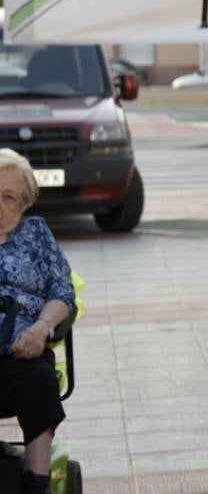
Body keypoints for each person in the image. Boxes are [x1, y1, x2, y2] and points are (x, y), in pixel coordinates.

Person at [0, 149, 76, 494]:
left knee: (38, 379)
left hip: (21, 350)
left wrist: (41, 328)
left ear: (24, 200)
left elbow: (63, 292)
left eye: (8, 196)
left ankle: (36, 483)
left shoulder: (36, 234)